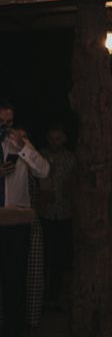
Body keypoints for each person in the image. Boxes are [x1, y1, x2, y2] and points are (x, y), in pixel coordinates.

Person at [0, 100, 50, 337]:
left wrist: (23, 148)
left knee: (15, 280)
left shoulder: (20, 142)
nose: (6, 126)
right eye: (2, 122)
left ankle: (13, 331)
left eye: (9, 122)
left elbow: (44, 170)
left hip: (17, 222)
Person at [38, 124, 75, 311]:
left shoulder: (70, 159)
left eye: (57, 138)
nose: (54, 142)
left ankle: (55, 296)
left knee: (60, 258)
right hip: (44, 214)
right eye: (51, 138)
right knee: (43, 257)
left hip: (64, 214)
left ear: (63, 139)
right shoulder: (39, 156)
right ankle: (41, 296)